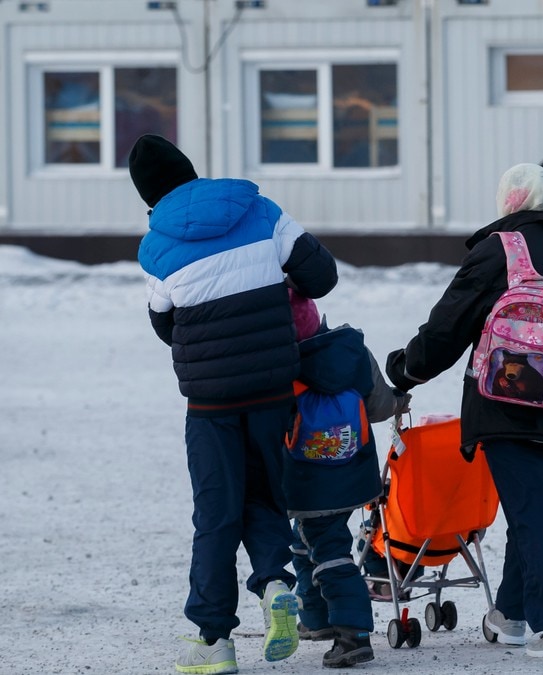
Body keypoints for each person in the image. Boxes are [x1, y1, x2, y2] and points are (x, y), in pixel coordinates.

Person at [130, 134, 338, 674]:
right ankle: (273, 583)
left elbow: (166, 325)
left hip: (210, 402)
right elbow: (322, 276)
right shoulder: (260, 209)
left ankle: (214, 641)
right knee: (265, 497)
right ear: (192, 172)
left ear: (148, 196)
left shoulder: (155, 246)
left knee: (217, 512)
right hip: (273, 388)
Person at [386, 163, 543, 659]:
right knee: (534, 507)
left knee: (535, 512)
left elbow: (447, 328)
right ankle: (510, 614)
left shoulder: (499, 252)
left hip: (510, 407)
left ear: (508, 204)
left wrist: (405, 371)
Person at [282, 291, 409, 668]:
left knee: (329, 552)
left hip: (306, 483)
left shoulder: (278, 364)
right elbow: (380, 406)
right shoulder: (350, 349)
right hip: (353, 476)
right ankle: (316, 619)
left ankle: (352, 633)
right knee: (307, 540)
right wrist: (400, 402)